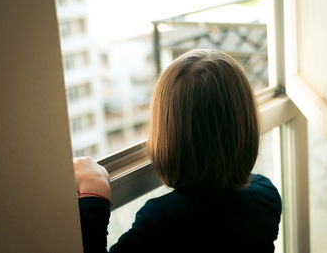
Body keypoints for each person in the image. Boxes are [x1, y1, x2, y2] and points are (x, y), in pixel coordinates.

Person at [74, 49, 282, 252]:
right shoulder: (265, 196)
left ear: (167, 133)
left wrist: (94, 197)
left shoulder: (162, 221)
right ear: (244, 126)